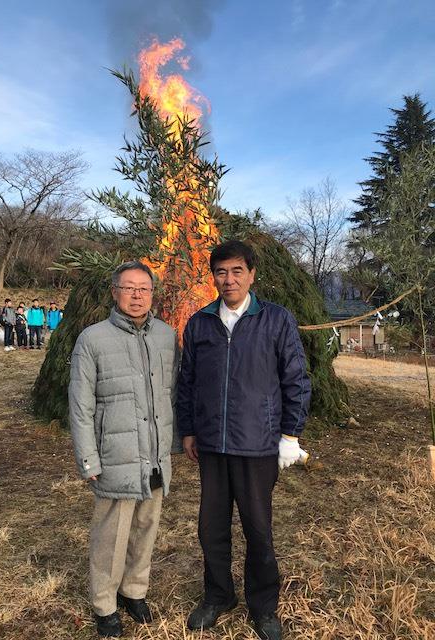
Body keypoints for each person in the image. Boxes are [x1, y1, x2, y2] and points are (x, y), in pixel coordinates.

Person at [177, 240, 311, 640]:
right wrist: (188, 429)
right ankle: (218, 595)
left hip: (258, 445)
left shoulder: (276, 320)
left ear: (252, 274)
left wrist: (290, 434)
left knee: (258, 529)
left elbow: (297, 380)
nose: (229, 279)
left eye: (237, 271)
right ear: (213, 276)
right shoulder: (200, 322)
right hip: (213, 447)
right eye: (221, 272)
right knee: (211, 528)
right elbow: (188, 383)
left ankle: (263, 606)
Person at [69, 261, 179, 639]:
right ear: (115, 292)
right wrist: (88, 458)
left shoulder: (166, 335)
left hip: (155, 454)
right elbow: (80, 405)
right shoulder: (93, 339)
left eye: (144, 289)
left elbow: (171, 394)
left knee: (146, 527)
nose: (137, 295)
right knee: (111, 534)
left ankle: (134, 590)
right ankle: (104, 603)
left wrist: (173, 446)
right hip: (115, 452)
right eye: (129, 288)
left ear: (152, 293)